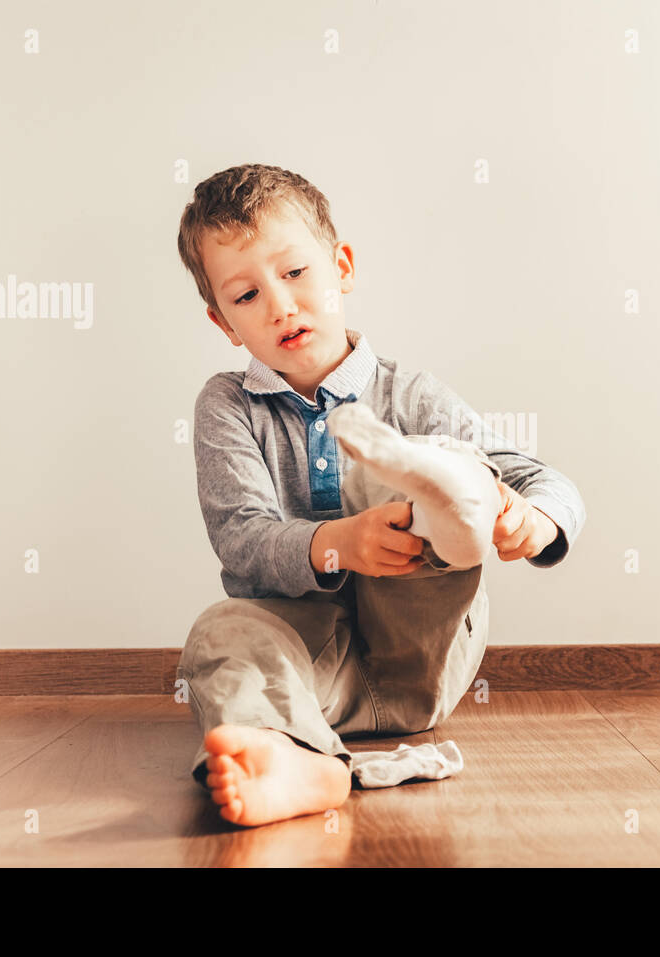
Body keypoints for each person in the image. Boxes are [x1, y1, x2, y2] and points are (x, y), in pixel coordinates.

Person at [173, 164, 586, 826]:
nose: (279, 305)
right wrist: (336, 543)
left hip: (419, 655)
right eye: (246, 296)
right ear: (224, 323)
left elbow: (543, 477)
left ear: (341, 267)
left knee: (404, 474)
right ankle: (301, 759)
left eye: (296, 273)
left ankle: (462, 498)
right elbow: (242, 541)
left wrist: (536, 518)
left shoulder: (410, 393)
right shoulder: (227, 406)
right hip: (312, 677)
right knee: (218, 632)